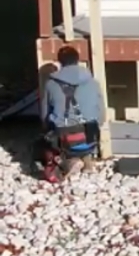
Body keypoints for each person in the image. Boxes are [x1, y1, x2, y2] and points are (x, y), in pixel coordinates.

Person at [36, 46, 105, 182]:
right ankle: (87, 159)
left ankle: (69, 161)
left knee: (49, 137)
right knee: (87, 122)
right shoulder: (93, 82)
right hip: (91, 136)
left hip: (65, 139)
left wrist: (46, 129)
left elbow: (44, 115)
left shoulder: (50, 84)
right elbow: (101, 115)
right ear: (77, 60)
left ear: (60, 62)